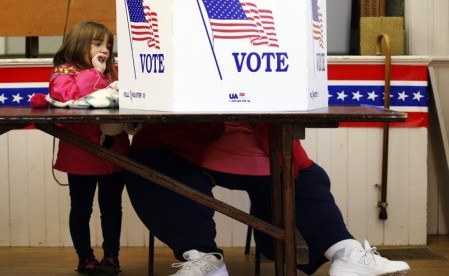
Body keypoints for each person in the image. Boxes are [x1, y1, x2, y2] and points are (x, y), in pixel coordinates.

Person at [124, 122, 411, 276]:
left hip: (262, 147)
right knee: (149, 166)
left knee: (308, 178)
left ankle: (346, 254)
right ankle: (202, 260)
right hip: (186, 145)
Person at [49, 21, 130, 276]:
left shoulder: (110, 75)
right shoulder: (63, 73)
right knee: (82, 208)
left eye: (107, 44)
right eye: (97, 44)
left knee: (112, 207)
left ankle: (112, 257)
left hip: (113, 153)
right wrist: (94, 73)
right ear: (79, 44)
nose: (104, 49)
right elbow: (71, 97)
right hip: (81, 154)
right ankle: (85, 258)